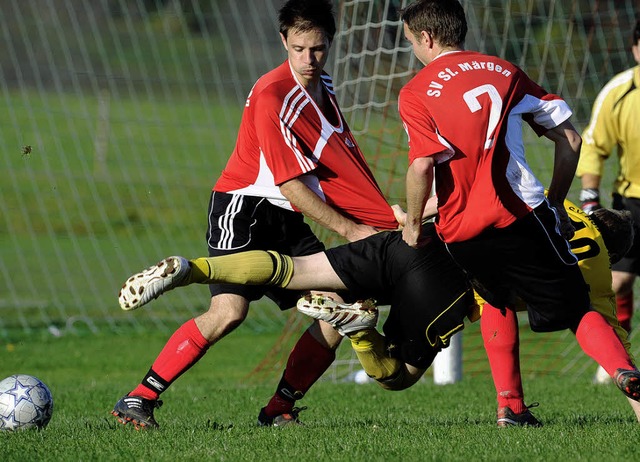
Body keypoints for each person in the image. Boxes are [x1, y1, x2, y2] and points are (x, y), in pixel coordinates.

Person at [112, 0, 398, 430]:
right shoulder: (272, 94)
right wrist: (353, 228)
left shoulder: (326, 88)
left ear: (330, 44)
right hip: (242, 208)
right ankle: (138, 398)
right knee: (230, 312)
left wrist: (379, 212)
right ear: (283, 40)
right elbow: (291, 185)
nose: (308, 59)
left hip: (286, 216)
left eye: (317, 49)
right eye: (298, 48)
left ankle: (279, 409)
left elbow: (333, 166)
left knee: (339, 309)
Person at [396, 0, 640, 418]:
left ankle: (510, 408)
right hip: (522, 217)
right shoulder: (503, 71)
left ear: (427, 37)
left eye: (411, 43)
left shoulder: (416, 91)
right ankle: (625, 372)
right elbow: (571, 141)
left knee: (496, 298)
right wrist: (558, 203)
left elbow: (422, 165)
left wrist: (414, 225)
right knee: (575, 308)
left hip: (462, 232)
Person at [118, 221, 476, 398]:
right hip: (447, 278)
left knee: (303, 278)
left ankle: (190, 269)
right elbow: (295, 180)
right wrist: (350, 226)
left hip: (402, 240)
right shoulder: (283, 95)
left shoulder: (311, 93)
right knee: (399, 377)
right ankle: (363, 333)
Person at [478, 200, 640, 426]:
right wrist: (626, 370)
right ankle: (510, 409)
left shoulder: (564, 202)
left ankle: (512, 405)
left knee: (495, 298)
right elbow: (613, 333)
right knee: (580, 311)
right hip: (538, 262)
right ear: (612, 256)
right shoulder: (600, 264)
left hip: (479, 232)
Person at [576, 20, 640, 383]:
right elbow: (594, 145)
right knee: (618, 282)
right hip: (632, 201)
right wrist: (590, 201)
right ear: (634, 49)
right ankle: (621, 360)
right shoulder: (619, 91)